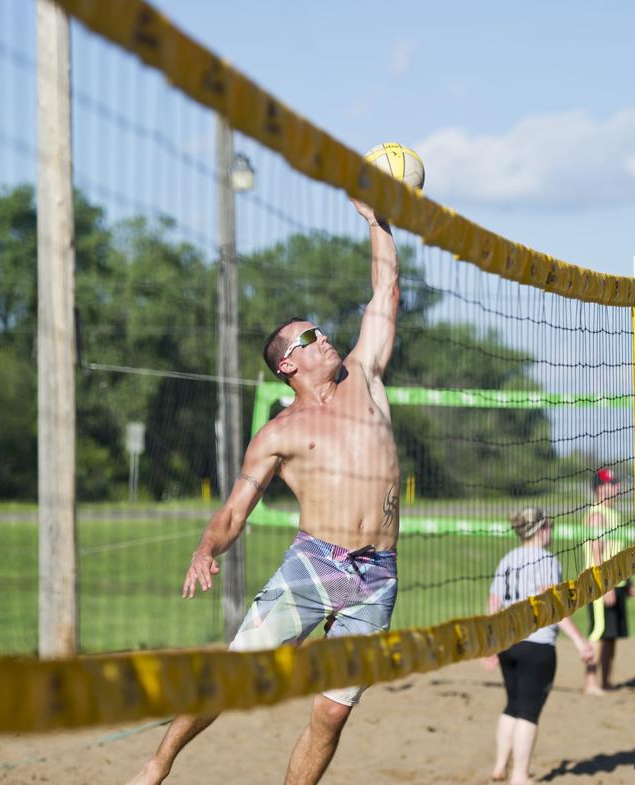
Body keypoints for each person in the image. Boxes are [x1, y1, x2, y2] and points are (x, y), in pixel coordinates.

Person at [127, 198, 400, 785]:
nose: (325, 336)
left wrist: (378, 222)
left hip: (377, 575)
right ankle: (158, 763)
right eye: (309, 336)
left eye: (321, 330)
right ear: (288, 365)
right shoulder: (278, 434)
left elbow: (386, 290)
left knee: (330, 715)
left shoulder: (366, 376)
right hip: (315, 563)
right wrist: (206, 550)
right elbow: (234, 510)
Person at [483, 506, 595, 785]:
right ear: (541, 529)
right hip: (538, 645)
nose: (552, 533)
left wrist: (490, 644)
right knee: (529, 712)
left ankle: (499, 766)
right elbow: (553, 607)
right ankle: (519, 775)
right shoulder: (546, 560)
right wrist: (581, 641)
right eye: (550, 527)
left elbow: (493, 604)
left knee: (513, 705)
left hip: (508, 641)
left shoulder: (508, 558)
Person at [582, 466, 633, 695]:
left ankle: (606, 681)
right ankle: (590, 683)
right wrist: (605, 585)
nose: (616, 487)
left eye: (615, 483)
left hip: (617, 582)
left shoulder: (614, 514)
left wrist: (626, 581)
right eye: (610, 484)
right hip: (600, 583)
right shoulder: (597, 515)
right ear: (599, 489)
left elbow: (616, 551)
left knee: (611, 636)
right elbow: (597, 551)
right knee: (598, 633)